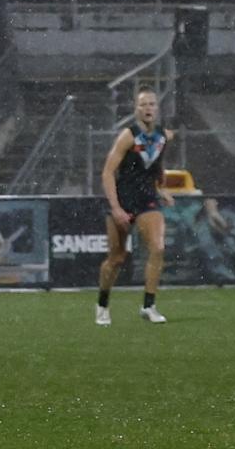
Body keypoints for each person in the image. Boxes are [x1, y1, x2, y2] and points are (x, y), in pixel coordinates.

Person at [95, 87, 176, 326]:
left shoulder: (163, 136)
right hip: (123, 199)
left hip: (147, 199)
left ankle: (148, 306)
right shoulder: (128, 136)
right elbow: (108, 173)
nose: (148, 108)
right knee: (117, 258)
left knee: (158, 248)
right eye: (143, 105)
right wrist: (116, 208)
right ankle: (102, 303)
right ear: (136, 110)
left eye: (152, 104)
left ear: (157, 109)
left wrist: (161, 189)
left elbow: (156, 165)